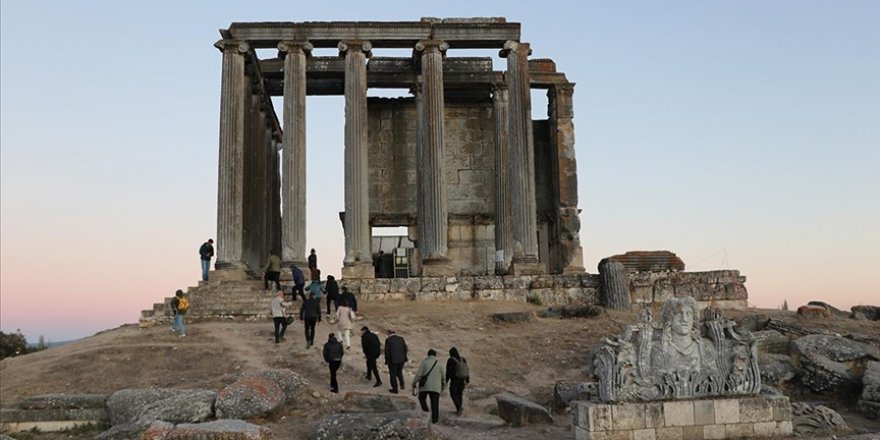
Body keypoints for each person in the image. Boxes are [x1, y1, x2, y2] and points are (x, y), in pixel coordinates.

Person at [413, 349, 445, 424]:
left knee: (421, 398)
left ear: (428, 355)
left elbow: (418, 374)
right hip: (436, 387)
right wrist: (443, 386)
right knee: (435, 403)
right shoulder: (439, 364)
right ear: (435, 355)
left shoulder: (424, 362)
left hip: (425, 386)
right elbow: (443, 377)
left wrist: (414, 383)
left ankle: (426, 412)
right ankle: (435, 420)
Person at [446, 347, 470, 416]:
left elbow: (448, 372)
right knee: (459, 394)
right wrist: (467, 379)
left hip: (455, 380)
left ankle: (458, 408)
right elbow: (466, 369)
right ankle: (459, 408)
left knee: (453, 393)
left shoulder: (450, 360)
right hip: (462, 379)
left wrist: (446, 381)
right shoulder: (463, 359)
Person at [384, 329, 408, 394]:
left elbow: (387, 351)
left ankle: (395, 389)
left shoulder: (388, 340)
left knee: (393, 374)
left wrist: (386, 360)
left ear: (388, 334)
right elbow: (405, 348)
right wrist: (405, 357)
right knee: (399, 371)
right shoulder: (401, 339)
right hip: (401, 359)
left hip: (393, 360)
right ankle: (402, 384)